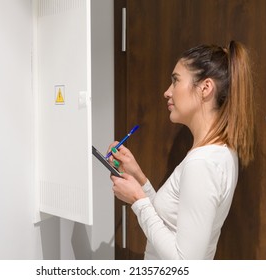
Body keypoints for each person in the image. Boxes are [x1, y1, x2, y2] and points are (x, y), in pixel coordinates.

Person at [108, 41, 254, 260]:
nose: (167, 92)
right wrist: (139, 177)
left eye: (175, 81)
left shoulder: (202, 163)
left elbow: (185, 263)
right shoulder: (217, 153)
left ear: (205, 88)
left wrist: (138, 200)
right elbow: (172, 221)